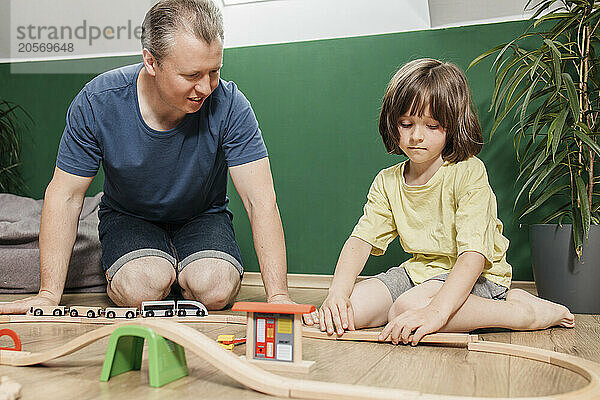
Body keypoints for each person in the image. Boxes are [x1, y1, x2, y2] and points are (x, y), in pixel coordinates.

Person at [0, 0, 294, 314]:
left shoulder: (231, 104)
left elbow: (259, 199)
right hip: (130, 218)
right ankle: (163, 271)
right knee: (142, 287)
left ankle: (185, 271)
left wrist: (278, 297)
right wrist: (48, 295)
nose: (206, 87)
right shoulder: (97, 102)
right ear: (151, 62)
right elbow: (66, 195)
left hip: (202, 216)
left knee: (215, 288)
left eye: (214, 71)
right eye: (192, 74)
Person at [304, 58, 575, 345]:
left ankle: (522, 313)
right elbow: (360, 241)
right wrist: (336, 294)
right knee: (349, 311)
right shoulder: (387, 180)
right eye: (406, 124)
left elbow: (473, 257)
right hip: (418, 274)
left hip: (477, 279)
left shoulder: (469, 171)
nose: (416, 136)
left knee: (406, 310)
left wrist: (435, 312)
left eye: (432, 126)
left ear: (453, 126)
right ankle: (413, 305)